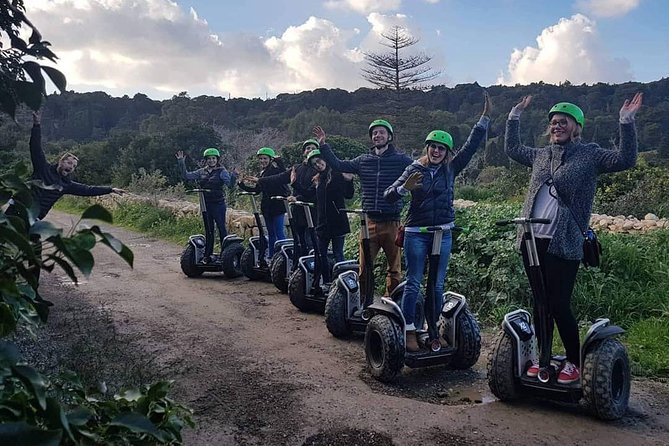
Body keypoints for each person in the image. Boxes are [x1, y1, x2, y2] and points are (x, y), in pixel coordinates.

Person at [505, 92, 643, 384]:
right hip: (532, 239)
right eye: (554, 122)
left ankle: (572, 361)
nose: (557, 126)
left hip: (564, 240)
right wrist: (513, 116)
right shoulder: (541, 155)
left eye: (563, 122)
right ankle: (542, 359)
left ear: (576, 126)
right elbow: (513, 148)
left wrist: (626, 122)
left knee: (559, 304)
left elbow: (626, 159)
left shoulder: (590, 154)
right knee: (540, 302)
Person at [384, 92, 492, 352]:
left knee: (438, 285)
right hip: (417, 233)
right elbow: (389, 196)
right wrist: (403, 189)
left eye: (441, 148)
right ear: (427, 148)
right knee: (414, 282)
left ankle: (432, 330)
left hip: (442, 233)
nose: (436, 151)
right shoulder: (414, 169)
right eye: (432, 146)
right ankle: (409, 329)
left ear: (446, 153)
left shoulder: (450, 169)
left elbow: (471, 146)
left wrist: (484, 119)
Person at [313, 120, 411, 297]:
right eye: (374, 133)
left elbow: (418, 170)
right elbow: (338, 165)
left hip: (392, 222)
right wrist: (323, 146)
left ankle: (392, 303)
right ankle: (365, 302)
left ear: (389, 136)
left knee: (394, 269)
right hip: (369, 223)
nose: (377, 135)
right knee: (364, 268)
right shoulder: (363, 160)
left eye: (381, 132)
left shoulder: (401, 160)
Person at [23, 111, 125, 220]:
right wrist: (37, 125)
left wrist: (110, 189)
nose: (71, 167)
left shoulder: (67, 185)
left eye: (74, 166)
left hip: (35, 219)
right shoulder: (43, 168)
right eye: (69, 163)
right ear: (61, 161)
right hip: (19, 209)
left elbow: (88, 190)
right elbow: (35, 147)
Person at [254, 139, 319, 259]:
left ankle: (313, 269)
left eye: (313, 148)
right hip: (297, 210)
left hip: (312, 212)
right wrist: (259, 180)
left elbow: (312, 192)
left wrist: (297, 197)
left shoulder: (319, 170)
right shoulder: (297, 168)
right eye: (308, 148)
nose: (310, 150)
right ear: (304, 152)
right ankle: (294, 267)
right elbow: (280, 177)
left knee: (311, 242)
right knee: (298, 242)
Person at [175, 147, 236, 263]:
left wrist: (233, 176)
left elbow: (230, 185)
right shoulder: (201, 171)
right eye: (209, 159)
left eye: (213, 158)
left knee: (221, 228)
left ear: (217, 159)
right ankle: (207, 255)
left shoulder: (222, 171)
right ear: (206, 160)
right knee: (209, 230)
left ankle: (225, 255)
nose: (211, 161)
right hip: (206, 204)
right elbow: (186, 176)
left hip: (218, 204)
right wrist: (181, 162)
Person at [306, 149, 355, 285]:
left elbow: (349, 195)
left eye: (319, 161)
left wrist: (349, 181)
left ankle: (340, 284)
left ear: (325, 159)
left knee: (338, 253)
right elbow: (308, 194)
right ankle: (322, 282)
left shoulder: (337, 174)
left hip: (338, 222)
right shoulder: (318, 179)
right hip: (322, 224)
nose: (318, 165)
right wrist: (293, 186)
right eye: (314, 164)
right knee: (320, 254)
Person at [238, 147, 289, 258]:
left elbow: (284, 174)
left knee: (279, 233)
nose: (262, 161)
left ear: (270, 159)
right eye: (261, 159)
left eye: (265, 158)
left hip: (278, 205)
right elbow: (257, 190)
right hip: (267, 207)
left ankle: (284, 257)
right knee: (270, 234)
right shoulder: (262, 173)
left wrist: (279, 161)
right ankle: (271, 257)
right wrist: (241, 184)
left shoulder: (276, 171)